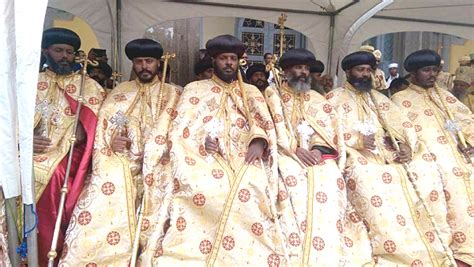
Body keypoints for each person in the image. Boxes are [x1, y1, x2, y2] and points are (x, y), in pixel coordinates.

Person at [139, 34, 288, 265]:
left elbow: (265, 124)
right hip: (201, 157)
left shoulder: (250, 92)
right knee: (204, 189)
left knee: (254, 188)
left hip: (245, 154)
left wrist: (259, 141)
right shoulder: (195, 89)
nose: (228, 63)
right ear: (213, 61)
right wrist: (200, 143)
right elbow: (179, 131)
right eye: (223, 58)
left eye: (232, 58)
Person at [59, 38, 182, 265]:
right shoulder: (121, 92)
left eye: (149, 61)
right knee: (105, 188)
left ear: (158, 63)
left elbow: (180, 129)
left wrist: (159, 149)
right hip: (125, 160)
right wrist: (113, 140)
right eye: (139, 61)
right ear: (132, 64)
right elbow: (112, 123)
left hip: (162, 161)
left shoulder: (173, 93)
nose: (144, 66)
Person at [326, 51, 455, 265]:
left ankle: (423, 242)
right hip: (357, 156)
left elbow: (402, 124)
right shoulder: (334, 98)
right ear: (348, 71)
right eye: (360, 70)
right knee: (368, 179)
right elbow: (326, 131)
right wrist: (356, 142)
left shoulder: (379, 98)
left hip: (388, 156)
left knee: (422, 172)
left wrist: (405, 144)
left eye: (369, 70)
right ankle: (387, 246)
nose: (365, 74)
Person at [264, 48, 372, 265]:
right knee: (293, 182)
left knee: (331, 179)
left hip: (316, 155)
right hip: (286, 154)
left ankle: (328, 245)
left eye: (305, 68)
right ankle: (296, 246)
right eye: (298, 67)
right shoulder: (272, 94)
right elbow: (272, 125)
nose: (303, 72)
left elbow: (328, 127)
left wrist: (317, 149)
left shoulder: (316, 97)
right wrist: (295, 149)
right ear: (285, 71)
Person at [391, 49, 474, 266]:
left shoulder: (445, 95)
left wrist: (471, 143)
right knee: (438, 180)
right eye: (426, 70)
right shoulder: (400, 99)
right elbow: (399, 130)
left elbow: (466, 121)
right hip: (425, 156)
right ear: (414, 73)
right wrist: (407, 147)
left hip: (458, 154)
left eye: (435, 70)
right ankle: (444, 247)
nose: (432, 75)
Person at [34, 27, 105, 266]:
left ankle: (48, 252)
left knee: (54, 176)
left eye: (69, 52)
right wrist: (24, 141)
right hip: (30, 152)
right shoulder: (32, 84)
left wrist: (84, 128)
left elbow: (101, 126)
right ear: (46, 51)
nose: (65, 56)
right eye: (59, 51)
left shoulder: (88, 85)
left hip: (70, 154)